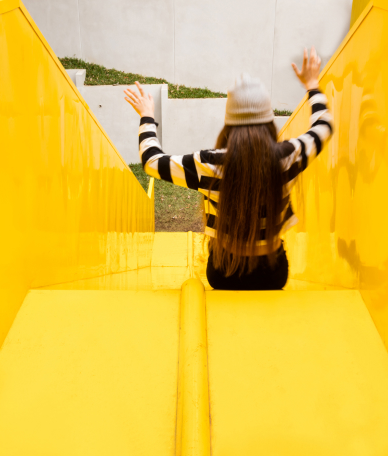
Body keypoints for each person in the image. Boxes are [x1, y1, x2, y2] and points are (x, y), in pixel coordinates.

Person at [124, 47, 333, 290]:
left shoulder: (210, 164)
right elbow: (324, 125)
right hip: (273, 275)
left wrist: (146, 115)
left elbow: (151, 161)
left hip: (224, 274)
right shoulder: (288, 157)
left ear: (229, 125)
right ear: (268, 121)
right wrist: (312, 84)